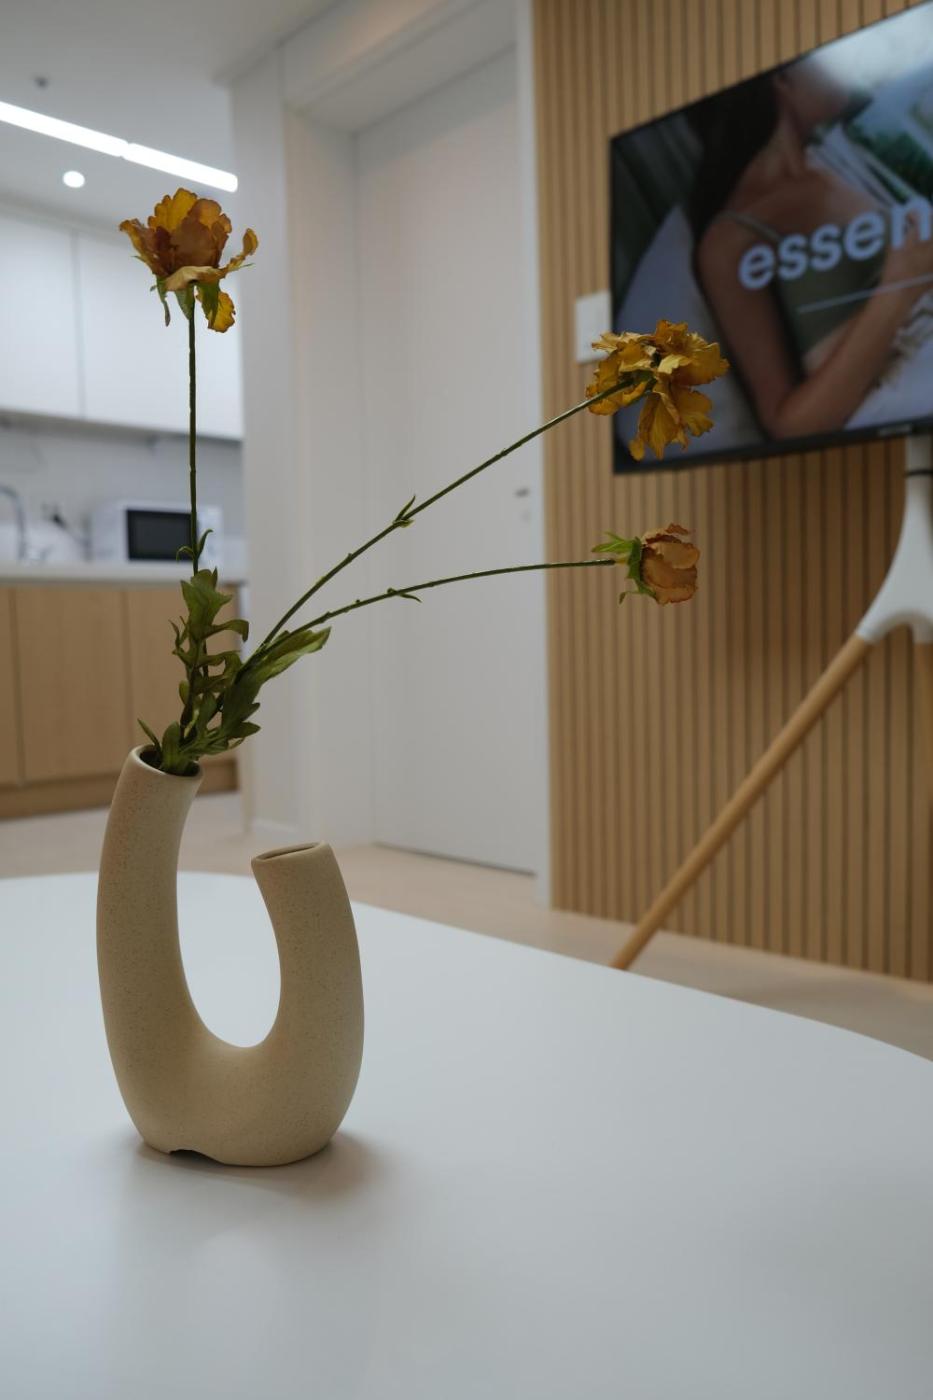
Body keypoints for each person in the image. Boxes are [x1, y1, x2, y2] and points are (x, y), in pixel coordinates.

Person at [691, 57, 933, 440]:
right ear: (783, 78)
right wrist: (899, 289)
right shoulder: (732, 238)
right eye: (824, 62)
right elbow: (787, 425)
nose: (843, 66)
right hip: (893, 392)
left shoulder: (823, 167)